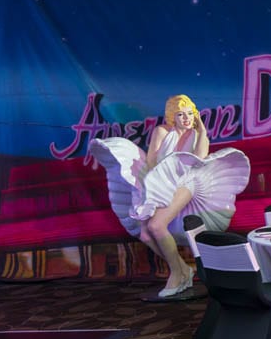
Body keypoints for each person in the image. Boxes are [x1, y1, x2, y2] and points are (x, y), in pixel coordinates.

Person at [89, 94, 251, 298]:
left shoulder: (196, 134)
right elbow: (151, 162)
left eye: (190, 114)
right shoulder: (162, 131)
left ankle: (176, 274)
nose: (186, 118)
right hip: (160, 183)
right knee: (145, 233)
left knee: (157, 226)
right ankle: (183, 269)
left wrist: (202, 131)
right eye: (181, 114)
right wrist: (150, 189)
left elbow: (200, 159)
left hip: (187, 182)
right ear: (172, 116)